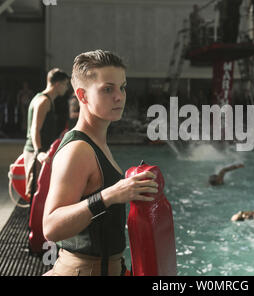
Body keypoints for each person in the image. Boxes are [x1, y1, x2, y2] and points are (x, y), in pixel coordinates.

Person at [43, 50, 159, 276]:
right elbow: (51, 227)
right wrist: (110, 195)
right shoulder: (78, 150)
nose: (119, 96)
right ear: (83, 95)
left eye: (122, 87)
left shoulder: (97, 143)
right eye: (108, 89)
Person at [23, 68, 70, 199]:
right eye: (65, 84)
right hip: (36, 153)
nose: (66, 88)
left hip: (40, 152)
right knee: (35, 194)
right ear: (57, 84)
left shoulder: (46, 100)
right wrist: (39, 152)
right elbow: (35, 128)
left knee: (39, 193)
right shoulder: (44, 101)